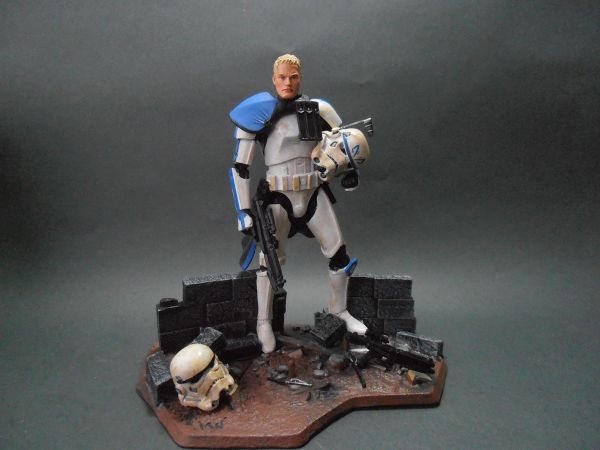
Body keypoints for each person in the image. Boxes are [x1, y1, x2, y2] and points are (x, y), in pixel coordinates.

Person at [228, 54, 368, 353]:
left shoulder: (320, 110)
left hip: (313, 191)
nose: (287, 82)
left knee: (339, 253)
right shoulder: (260, 113)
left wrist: (347, 168)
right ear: (273, 78)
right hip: (278, 196)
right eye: (282, 77)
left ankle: (339, 311)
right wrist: (243, 212)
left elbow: (342, 143)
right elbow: (240, 167)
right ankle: (263, 322)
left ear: (300, 78)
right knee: (269, 260)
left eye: (293, 77)